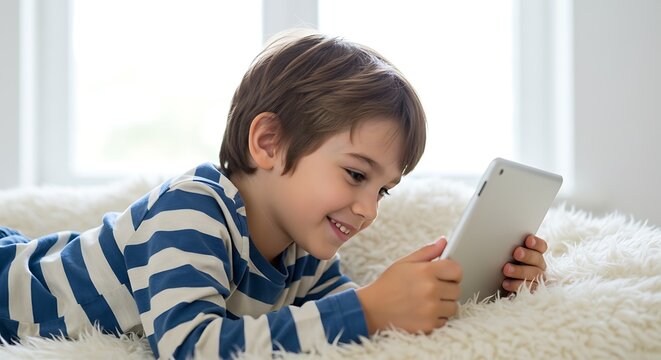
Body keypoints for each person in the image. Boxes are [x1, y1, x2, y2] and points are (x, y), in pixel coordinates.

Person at [0, 31, 548, 359]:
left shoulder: (305, 255)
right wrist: (369, 307)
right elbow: (190, 347)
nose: (369, 210)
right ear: (268, 142)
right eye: (357, 175)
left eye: (384, 189)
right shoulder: (191, 210)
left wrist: (484, 287)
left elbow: (350, 325)